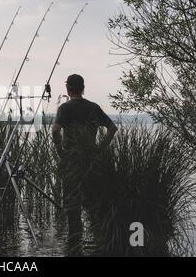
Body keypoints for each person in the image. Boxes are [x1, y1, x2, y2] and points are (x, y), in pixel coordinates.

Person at [52, 74, 117, 256]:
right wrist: (99, 149)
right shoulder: (94, 107)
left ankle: (75, 246)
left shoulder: (65, 108)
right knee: (94, 205)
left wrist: (61, 153)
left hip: (72, 163)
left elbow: (55, 131)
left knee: (73, 208)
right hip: (92, 163)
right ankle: (100, 245)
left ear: (68, 89)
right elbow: (112, 129)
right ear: (83, 88)